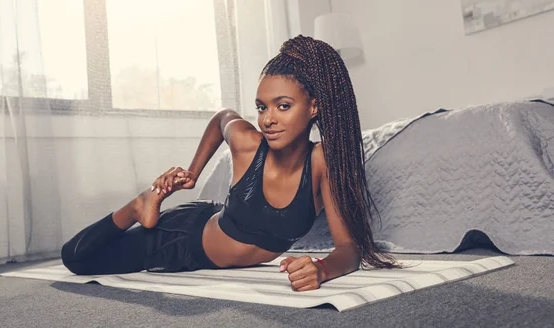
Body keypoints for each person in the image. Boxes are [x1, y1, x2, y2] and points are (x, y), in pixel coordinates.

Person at [61, 35, 400, 292]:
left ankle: (142, 207)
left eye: (282, 106)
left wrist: (322, 270)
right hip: (180, 239)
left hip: (211, 240)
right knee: (77, 258)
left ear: (314, 106)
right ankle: (139, 205)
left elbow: (348, 249)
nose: (268, 119)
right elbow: (222, 118)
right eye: (262, 107)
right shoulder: (249, 144)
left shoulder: (321, 163)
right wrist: (193, 172)